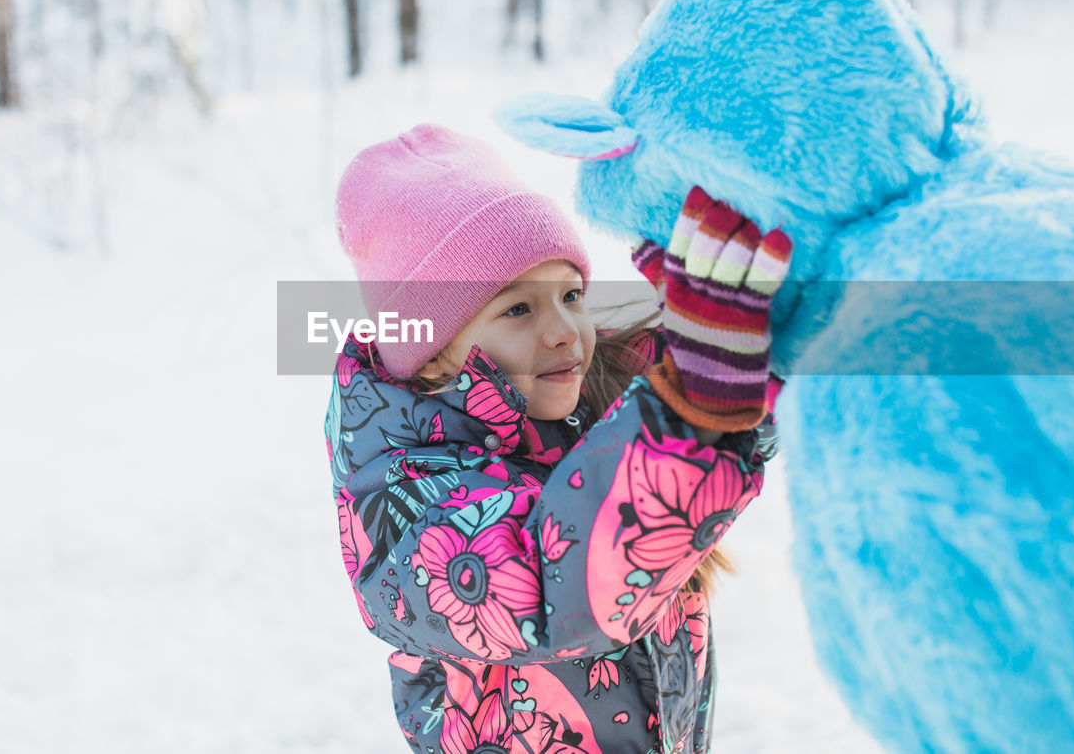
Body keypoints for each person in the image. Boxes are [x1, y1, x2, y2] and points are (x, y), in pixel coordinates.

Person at [325, 124, 791, 754]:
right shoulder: (402, 497)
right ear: (433, 355)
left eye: (571, 295)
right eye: (517, 310)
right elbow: (550, 585)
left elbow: (739, 416)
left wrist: (752, 336)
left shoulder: (586, 402)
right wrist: (695, 402)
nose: (565, 331)